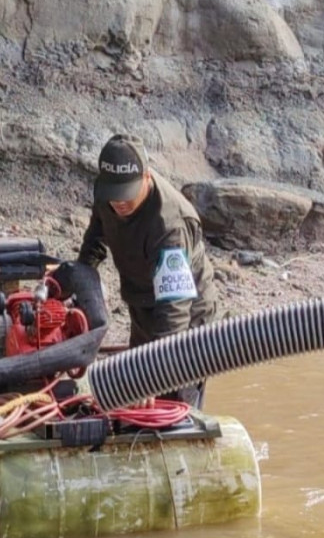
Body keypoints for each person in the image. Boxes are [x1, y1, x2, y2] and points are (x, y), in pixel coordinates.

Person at [78, 133, 219, 407]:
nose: (119, 202)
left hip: (186, 320)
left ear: (146, 177)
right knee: (134, 403)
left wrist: (150, 377)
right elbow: (95, 240)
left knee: (172, 406)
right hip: (142, 302)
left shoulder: (170, 225)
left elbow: (174, 309)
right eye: (113, 195)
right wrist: (77, 281)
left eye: (126, 195)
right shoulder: (107, 192)